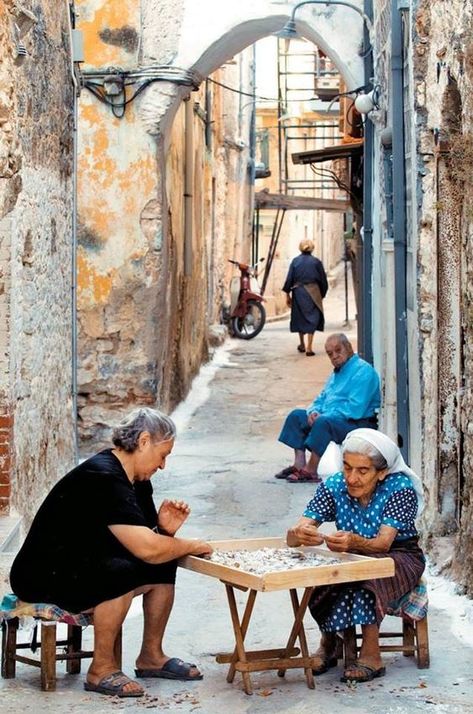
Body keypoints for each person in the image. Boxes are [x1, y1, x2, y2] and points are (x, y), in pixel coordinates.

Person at [10, 407, 213, 698]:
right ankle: (101, 668)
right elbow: (146, 548)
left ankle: (150, 657)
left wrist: (165, 531)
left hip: (83, 563)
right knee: (121, 572)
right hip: (41, 574)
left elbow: (149, 546)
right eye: (163, 455)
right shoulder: (102, 476)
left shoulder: (136, 479)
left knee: (162, 565)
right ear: (144, 442)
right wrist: (193, 544)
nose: (163, 465)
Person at [286, 428, 425, 683]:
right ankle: (330, 644)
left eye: (362, 471)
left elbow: (383, 544)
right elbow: (297, 531)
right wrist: (300, 533)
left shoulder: (399, 488)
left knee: (366, 581)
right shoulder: (335, 485)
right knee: (320, 579)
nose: (352, 478)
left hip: (399, 555)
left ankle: (371, 654)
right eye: (347, 467)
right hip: (353, 555)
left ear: (381, 472)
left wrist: (353, 541)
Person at [274, 333, 380, 482]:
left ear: (348, 348)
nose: (335, 356)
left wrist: (324, 416)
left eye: (338, 350)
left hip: (358, 422)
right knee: (296, 416)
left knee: (323, 423)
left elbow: (355, 409)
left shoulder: (363, 371)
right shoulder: (336, 374)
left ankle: (311, 470)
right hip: (334, 417)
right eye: (330, 354)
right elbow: (322, 398)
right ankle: (299, 464)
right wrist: (314, 411)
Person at [282, 239, 328, 356]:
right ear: (312, 248)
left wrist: (287, 294)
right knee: (312, 318)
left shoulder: (295, 261)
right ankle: (309, 347)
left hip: (298, 292)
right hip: (313, 292)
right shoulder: (316, 262)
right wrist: (321, 294)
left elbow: (289, 279)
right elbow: (323, 280)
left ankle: (302, 343)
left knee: (300, 318)